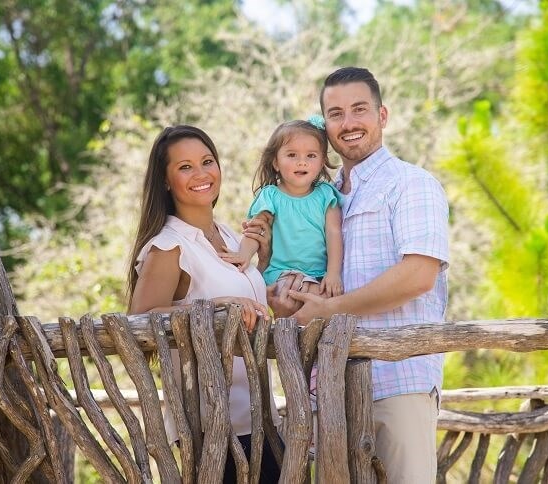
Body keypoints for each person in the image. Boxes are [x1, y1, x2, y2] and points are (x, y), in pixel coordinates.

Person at [271, 67, 450, 483]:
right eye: (336, 114)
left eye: (359, 110)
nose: (348, 123)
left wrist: (329, 308)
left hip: (398, 380)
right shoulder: (319, 198)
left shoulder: (411, 184)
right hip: (329, 391)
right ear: (325, 125)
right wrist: (284, 299)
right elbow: (297, 278)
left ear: (382, 115)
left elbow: (418, 276)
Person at [127, 125, 281, 483]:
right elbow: (137, 322)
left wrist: (268, 263)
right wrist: (214, 308)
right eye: (185, 167)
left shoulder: (231, 236)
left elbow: (253, 309)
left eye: (207, 161)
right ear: (165, 181)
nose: (201, 174)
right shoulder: (168, 246)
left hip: (262, 420)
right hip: (211, 429)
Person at [220, 119, 344, 299]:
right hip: (280, 275)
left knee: (325, 300)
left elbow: (334, 233)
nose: (302, 162)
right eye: (292, 155)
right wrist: (244, 254)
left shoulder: (326, 195)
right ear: (276, 163)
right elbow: (257, 230)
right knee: (288, 297)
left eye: (311, 156)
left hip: (319, 275)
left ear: (322, 161)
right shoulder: (270, 196)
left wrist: (333, 273)